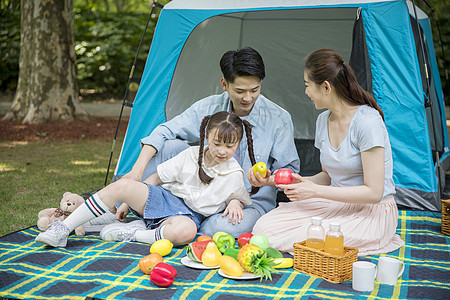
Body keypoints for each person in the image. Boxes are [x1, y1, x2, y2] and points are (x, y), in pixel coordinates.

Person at [97, 47, 299, 239]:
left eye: (255, 89)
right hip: (196, 195)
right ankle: (168, 219)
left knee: (220, 228)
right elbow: (164, 131)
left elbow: (290, 172)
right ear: (224, 84)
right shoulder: (209, 106)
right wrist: (137, 171)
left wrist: (267, 180)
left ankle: (164, 221)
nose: (248, 97)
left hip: (247, 203)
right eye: (240, 91)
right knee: (166, 148)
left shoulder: (278, 119)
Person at [250, 49, 404, 256]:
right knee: (264, 229)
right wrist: (284, 182)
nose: (306, 92)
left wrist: (315, 192)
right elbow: (328, 176)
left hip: (370, 211)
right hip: (336, 204)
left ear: (326, 87)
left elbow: (374, 193)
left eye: (307, 86)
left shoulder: (368, 122)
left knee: (302, 238)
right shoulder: (323, 121)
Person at [35, 111, 255, 247]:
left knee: (186, 233)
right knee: (124, 185)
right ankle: (62, 230)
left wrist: (234, 201)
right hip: (164, 199)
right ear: (207, 137)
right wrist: (127, 201)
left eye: (230, 146)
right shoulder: (191, 154)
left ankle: (136, 233)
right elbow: (158, 177)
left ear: (238, 145)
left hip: (188, 217)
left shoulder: (234, 173)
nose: (222, 151)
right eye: (217, 143)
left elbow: (236, 197)